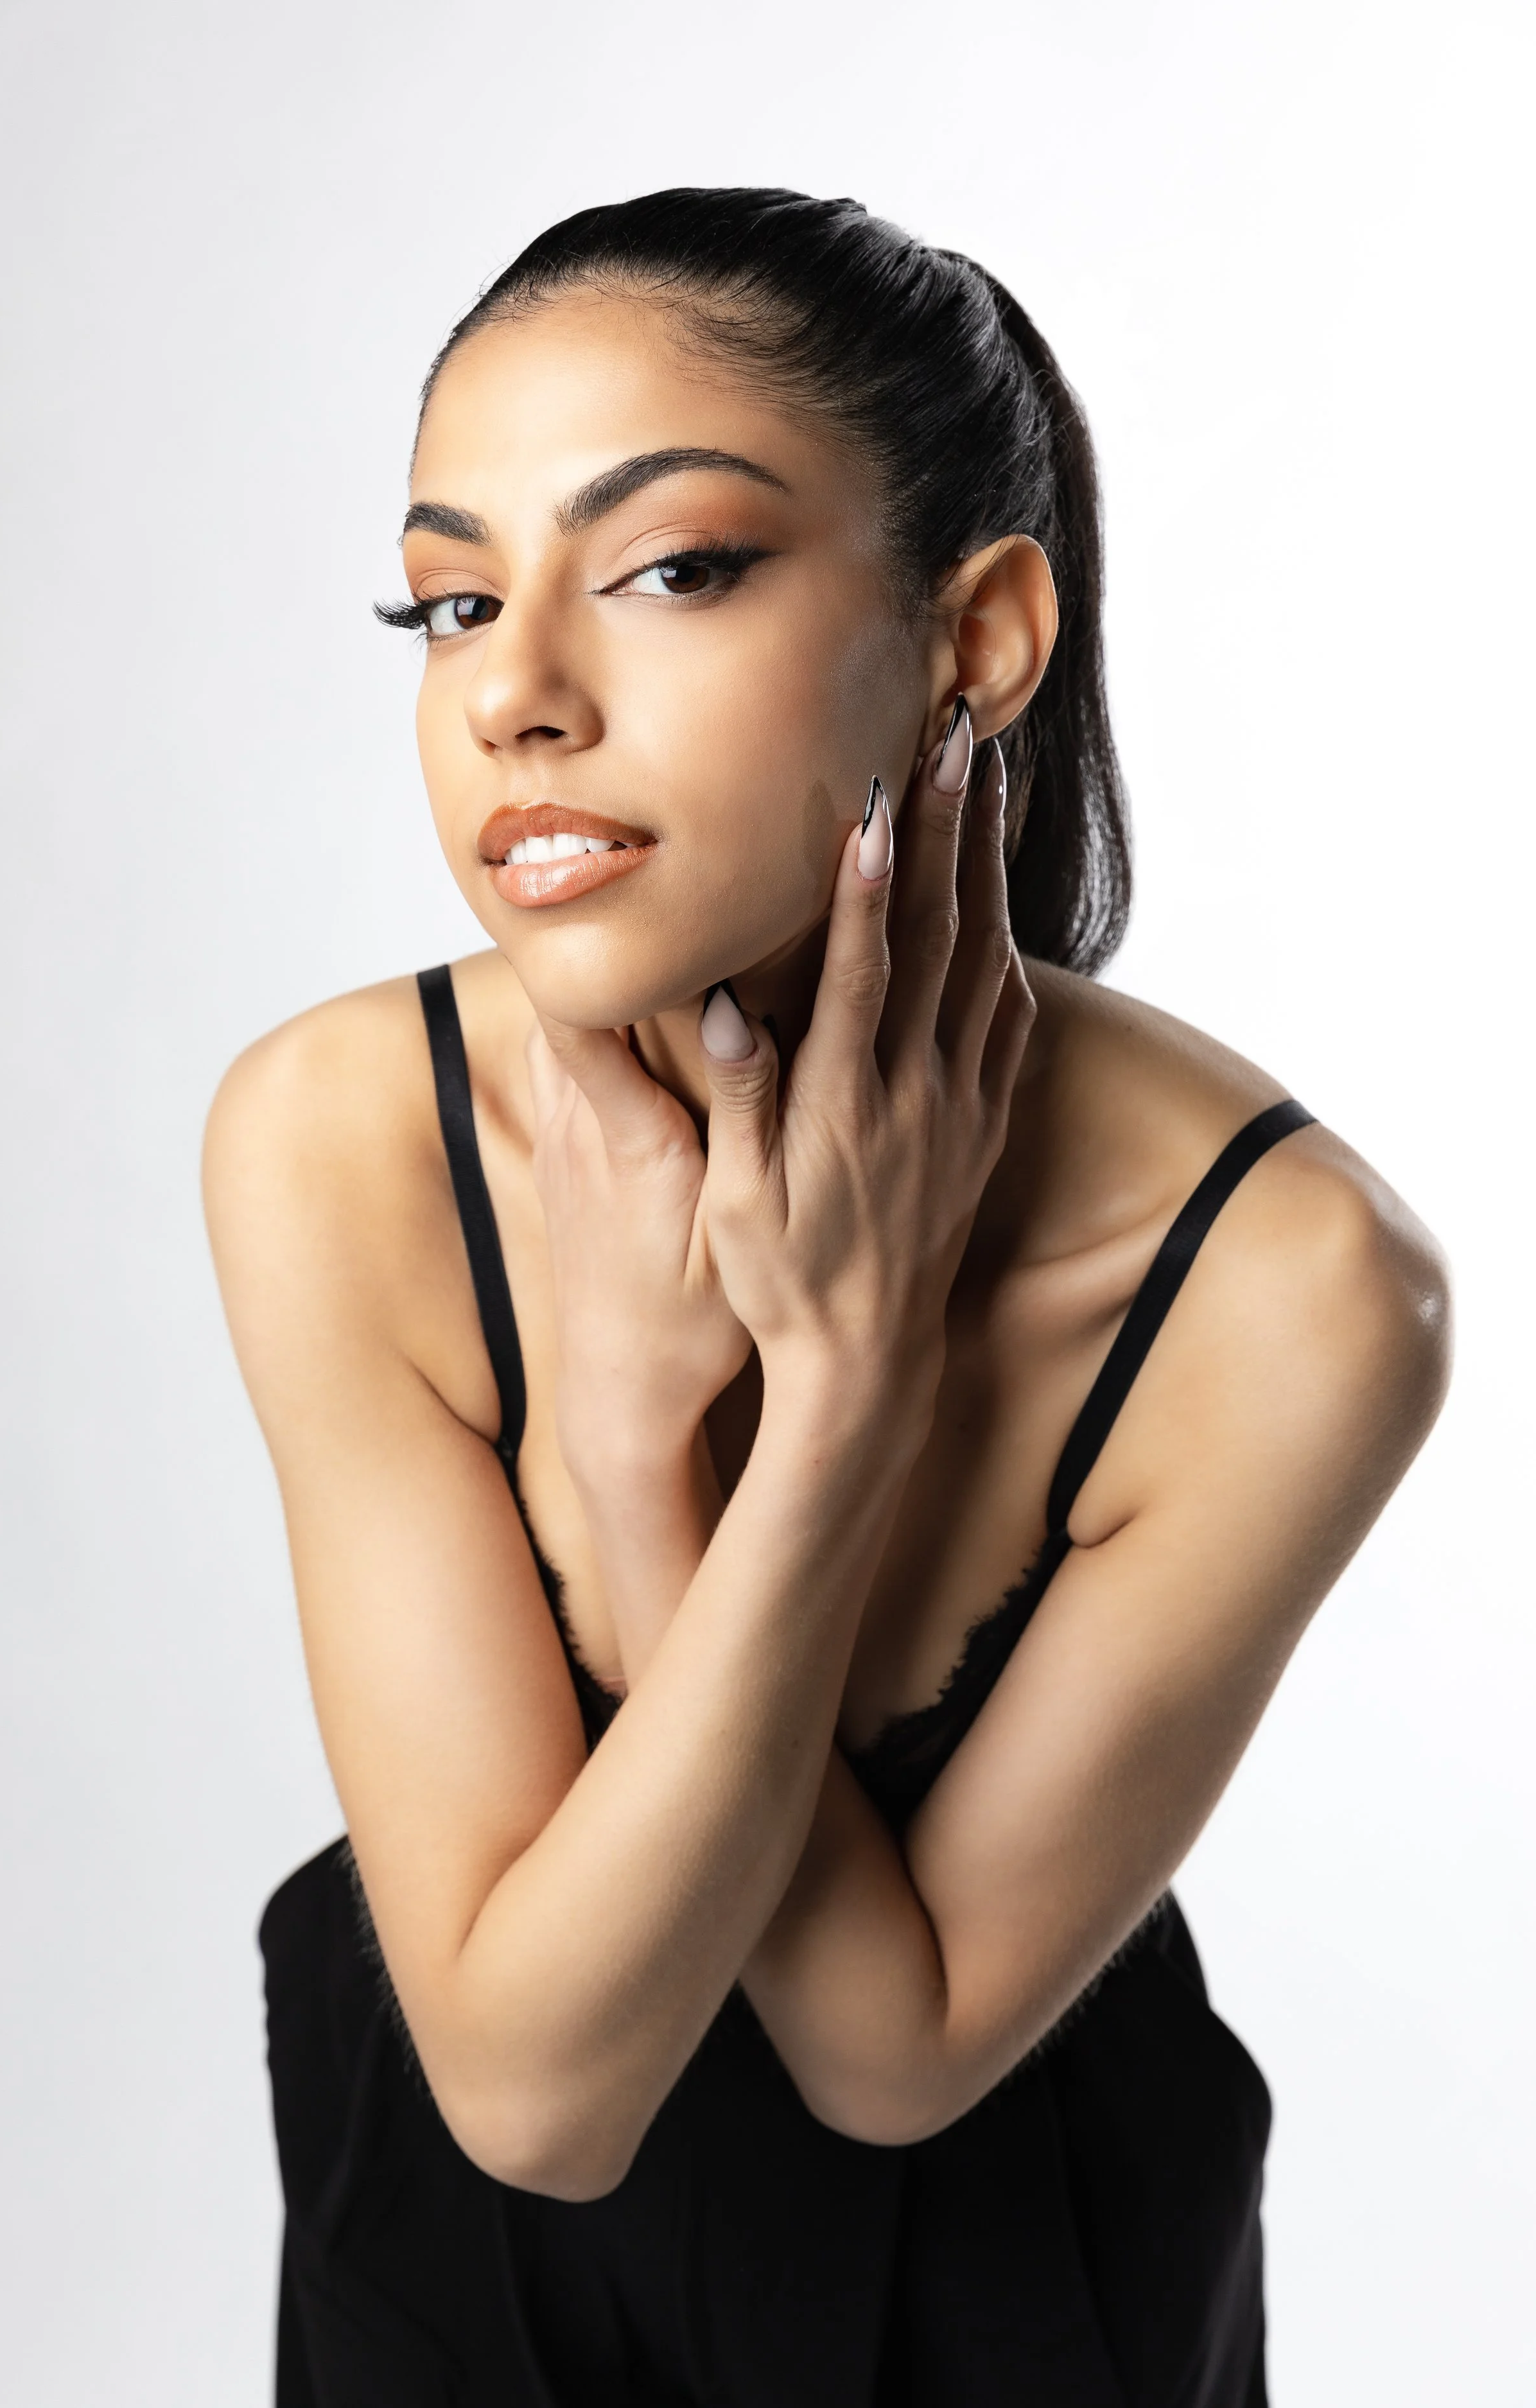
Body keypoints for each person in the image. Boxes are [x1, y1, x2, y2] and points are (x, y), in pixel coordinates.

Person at [203, 188, 1449, 2406]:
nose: (512, 695)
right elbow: (534, 2087)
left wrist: (818, 1403)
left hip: (1018, 2295)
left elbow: (890, 2053)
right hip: (457, 2293)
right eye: (451, 599)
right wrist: (623, 1416)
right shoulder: (341, 1141)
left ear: (978, 634)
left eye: (671, 567)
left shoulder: (1288, 1285)